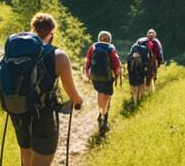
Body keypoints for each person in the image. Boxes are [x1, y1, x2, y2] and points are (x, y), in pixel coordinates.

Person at [12, 13, 84, 166]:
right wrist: (77, 101)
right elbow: (71, 91)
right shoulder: (58, 56)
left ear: (33, 29)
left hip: (18, 112)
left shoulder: (16, 51)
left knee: (26, 158)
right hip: (43, 114)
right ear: (52, 33)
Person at [84, 31, 122, 133]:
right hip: (107, 77)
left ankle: (101, 113)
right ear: (109, 39)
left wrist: (87, 74)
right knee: (107, 95)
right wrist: (117, 73)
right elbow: (116, 63)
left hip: (95, 77)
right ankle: (104, 115)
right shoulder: (110, 48)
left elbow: (88, 61)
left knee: (100, 93)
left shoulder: (93, 47)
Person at [125, 37, 152, 106]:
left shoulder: (133, 48)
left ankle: (134, 101)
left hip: (132, 72)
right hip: (140, 70)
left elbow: (128, 61)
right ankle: (139, 98)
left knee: (133, 85)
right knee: (140, 84)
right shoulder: (145, 49)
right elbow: (147, 61)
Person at [145, 28, 164, 93]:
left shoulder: (145, 41)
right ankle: (154, 80)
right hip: (154, 60)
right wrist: (160, 60)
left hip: (146, 60)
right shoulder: (156, 42)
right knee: (155, 72)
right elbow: (159, 52)